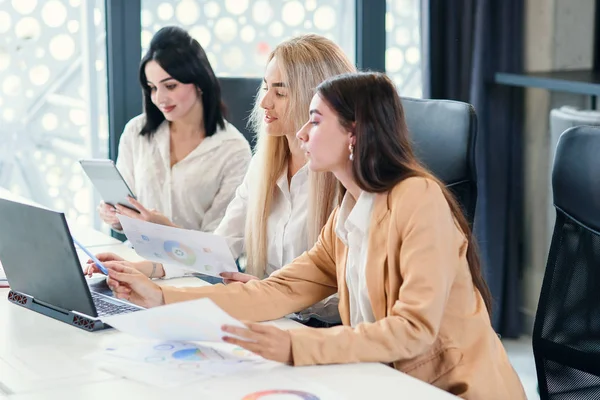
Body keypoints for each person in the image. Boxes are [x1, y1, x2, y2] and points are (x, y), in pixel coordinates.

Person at [100, 72, 527, 398]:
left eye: (316, 121)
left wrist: (294, 344)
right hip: (381, 380)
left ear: (354, 133)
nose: (302, 134)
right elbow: (274, 291)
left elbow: (413, 329)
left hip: (449, 390)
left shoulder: (418, 198)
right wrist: (162, 298)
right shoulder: (349, 209)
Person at [88, 34, 357, 326]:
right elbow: (221, 246)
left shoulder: (348, 180)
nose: (264, 101)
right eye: (265, 87)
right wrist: (145, 268)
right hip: (264, 315)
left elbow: (354, 296)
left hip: (314, 326)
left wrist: (271, 296)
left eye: (280, 93)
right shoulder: (264, 166)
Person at [97, 26, 251, 232]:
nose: (159, 98)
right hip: (140, 258)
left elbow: (221, 244)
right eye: (152, 88)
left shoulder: (234, 150)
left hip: (196, 264)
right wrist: (115, 216)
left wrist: (166, 228)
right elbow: (127, 210)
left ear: (199, 82)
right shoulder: (136, 131)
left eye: (170, 86)